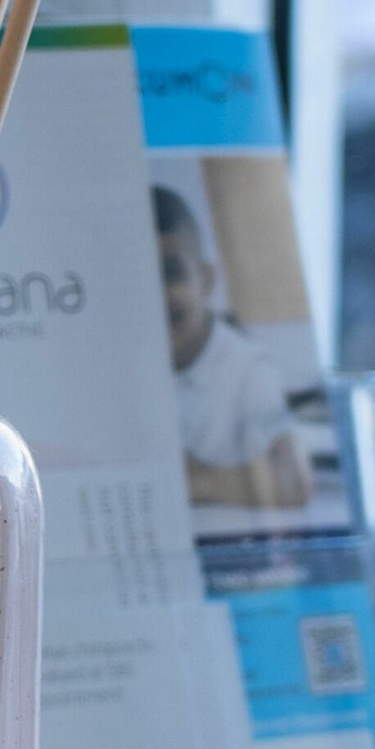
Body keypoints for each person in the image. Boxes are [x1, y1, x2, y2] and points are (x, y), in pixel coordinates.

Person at [157, 183, 310, 512]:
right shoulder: (131, 372)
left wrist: (194, 480)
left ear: (206, 280)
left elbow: (294, 482)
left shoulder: (248, 369)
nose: (159, 296)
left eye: (172, 273)